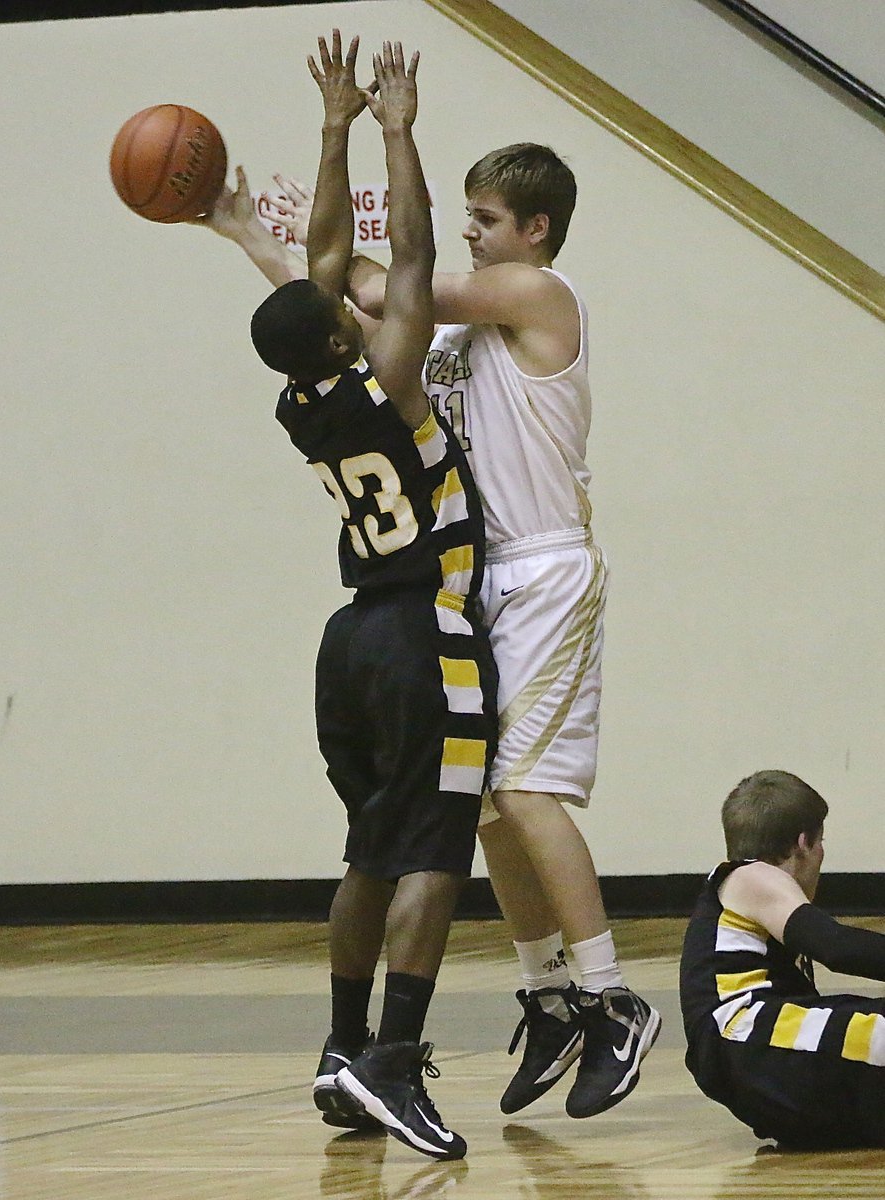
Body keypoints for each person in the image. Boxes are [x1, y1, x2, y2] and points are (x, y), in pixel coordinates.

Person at [201, 123, 659, 1119]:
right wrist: (275, 249)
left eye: (488, 221)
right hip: (472, 582)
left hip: (542, 567)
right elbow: (347, 302)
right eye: (466, 218)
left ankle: (612, 997)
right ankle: (547, 992)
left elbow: (375, 284)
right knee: (486, 802)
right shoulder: (442, 344)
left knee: (526, 791)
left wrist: (318, 193)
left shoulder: (538, 292)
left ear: (536, 229)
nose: (474, 234)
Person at [247, 32, 497, 1160]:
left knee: (365, 851)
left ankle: (341, 1051)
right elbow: (406, 255)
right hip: (420, 631)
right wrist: (393, 128)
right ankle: (395, 1058)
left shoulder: (304, 402)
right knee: (437, 852)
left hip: (344, 641)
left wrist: (334, 125)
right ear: (340, 328)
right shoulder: (387, 375)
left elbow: (324, 256)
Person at [679, 769, 885, 1148]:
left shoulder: (740, 888)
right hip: (748, 1039)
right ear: (804, 843)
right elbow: (836, 947)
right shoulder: (751, 876)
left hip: (753, 1058)